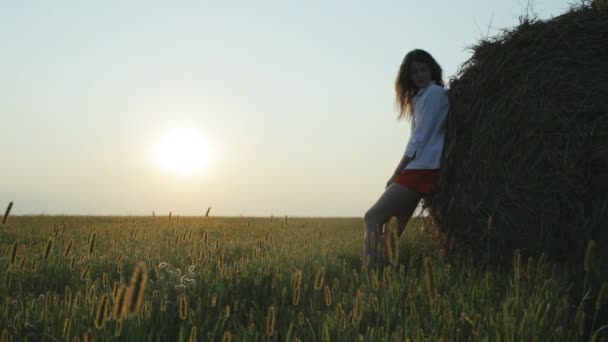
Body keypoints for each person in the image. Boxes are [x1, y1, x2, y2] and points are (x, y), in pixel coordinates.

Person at [363, 49, 449, 265]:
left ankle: (368, 274)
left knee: (372, 217)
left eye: (423, 69)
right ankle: (380, 277)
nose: (419, 75)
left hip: (422, 168)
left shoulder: (434, 93)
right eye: (414, 72)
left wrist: (397, 172)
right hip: (424, 168)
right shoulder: (421, 97)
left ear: (432, 69)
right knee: (390, 231)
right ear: (408, 77)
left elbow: (419, 139)